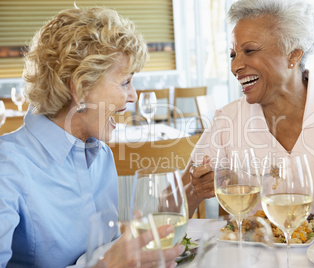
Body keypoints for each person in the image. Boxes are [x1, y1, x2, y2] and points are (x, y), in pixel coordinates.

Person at [181, 0, 314, 222]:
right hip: (254, 253)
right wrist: (193, 191)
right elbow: (168, 208)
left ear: (293, 54)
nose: (235, 66)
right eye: (233, 55)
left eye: (249, 50)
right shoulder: (227, 119)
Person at [0, 7, 182, 267]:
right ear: (81, 87)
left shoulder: (101, 155)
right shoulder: (8, 167)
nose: (134, 96)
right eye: (125, 82)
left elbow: (106, 250)